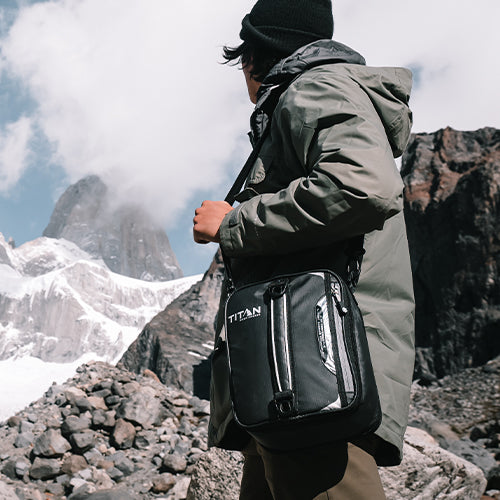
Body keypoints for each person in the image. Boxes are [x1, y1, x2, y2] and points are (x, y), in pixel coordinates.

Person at [193, 0, 415, 498]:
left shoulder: (314, 88)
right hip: (295, 370)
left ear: (256, 55)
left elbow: (363, 187)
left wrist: (234, 223)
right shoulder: (319, 94)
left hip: (313, 365)